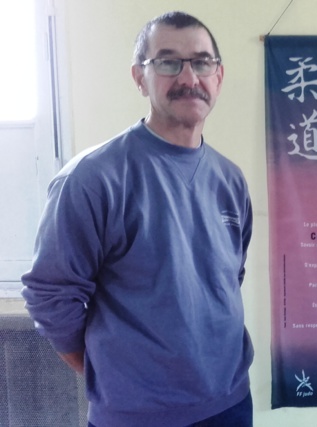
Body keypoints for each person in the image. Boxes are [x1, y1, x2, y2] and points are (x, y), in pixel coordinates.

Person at [21, 11, 254, 427]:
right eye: (168, 62)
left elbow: (228, 280)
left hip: (230, 404)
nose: (188, 77)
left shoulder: (230, 179)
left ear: (218, 76)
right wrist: (114, 374)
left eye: (202, 62)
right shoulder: (93, 178)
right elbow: (50, 295)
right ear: (139, 77)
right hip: (134, 414)